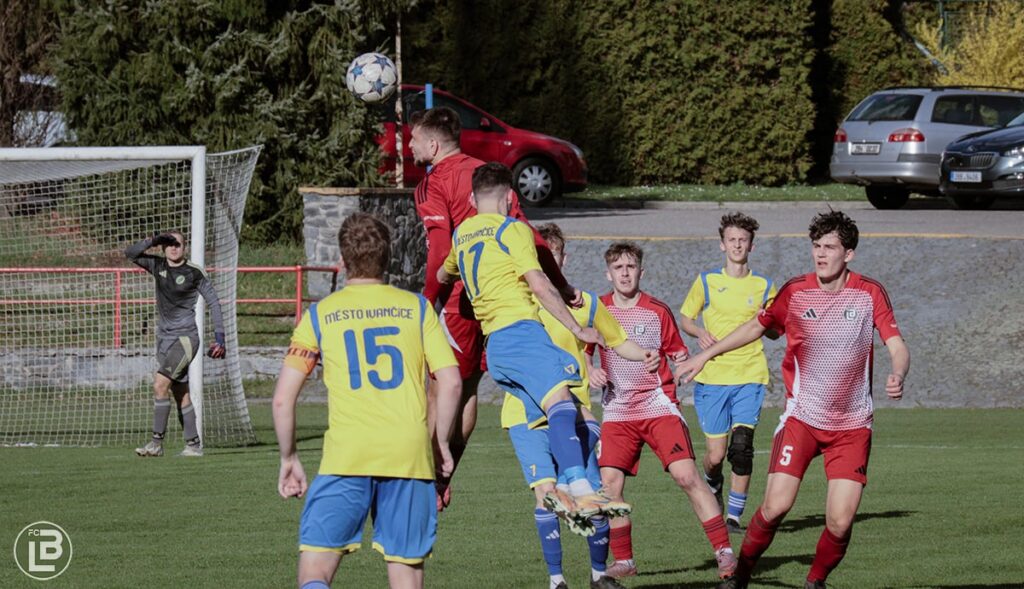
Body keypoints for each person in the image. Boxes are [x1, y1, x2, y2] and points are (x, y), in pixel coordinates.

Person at [675, 211, 910, 589]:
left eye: (829, 247)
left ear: (848, 254)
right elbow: (755, 327)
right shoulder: (795, 291)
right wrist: (705, 355)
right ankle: (741, 576)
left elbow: (897, 345)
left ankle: (815, 581)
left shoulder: (870, 293)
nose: (821, 254)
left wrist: (898, 372)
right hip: (802, 420)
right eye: (816, 246)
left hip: (852, 426)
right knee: (775, 507)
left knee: (840, 521)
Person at [272, 212, 462, 589]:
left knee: (315, 572)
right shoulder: (417, 309)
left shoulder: (319, 315)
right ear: (388, 257)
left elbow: (281, 401)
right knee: (405, 575)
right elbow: (452, 382)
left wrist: (289, 458)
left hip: (347, 455)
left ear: (343, 261)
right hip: (409, 456)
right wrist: (440, 443)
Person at [436, 163, 629, 529]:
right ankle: (580, 486)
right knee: (562, 402)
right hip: (521, 332)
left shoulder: (462, 234)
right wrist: (578, 327)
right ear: (512, 197)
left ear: (472, 199)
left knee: (564, 413)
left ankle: (559, 489)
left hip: (496, 346)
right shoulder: (513, 230)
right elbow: (539, 284)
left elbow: (442, 274)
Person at [410, 106, 574, 510]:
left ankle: (424, 484)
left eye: (413, 139)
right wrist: (561, 284)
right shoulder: (487, 176)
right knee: (468, 390)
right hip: (505, 302)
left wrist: (427, 301)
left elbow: (440, 252)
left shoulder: (434, 183)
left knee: (441, 388)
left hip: (462, 302)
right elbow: (531, 237)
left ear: (433, 145)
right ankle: (444, 478)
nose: (409, 145)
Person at [501, 223, 658, 589]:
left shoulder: (585, 303)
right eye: (538, 257)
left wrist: (644, 354)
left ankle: (599, 575)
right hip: (524, 414)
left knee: (594, 496)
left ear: (563, 259)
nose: (545, 264)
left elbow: (617, 340)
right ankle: (556, 580)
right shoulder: (516, 304)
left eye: (551, 256)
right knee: (546, 495)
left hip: (575, 416)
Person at [592, 241, 737, 583]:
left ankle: (724, 552)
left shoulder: (657, 311)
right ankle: (624, 560)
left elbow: (678, 353)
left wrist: (684, 364)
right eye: (618, 268)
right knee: (609, 485)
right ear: (608, 273)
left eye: (630, 267)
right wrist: (590, 370)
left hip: (657, 405)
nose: (624, 274)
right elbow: (582, 351)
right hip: (617, 410)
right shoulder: (598, 310)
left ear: (641, 272)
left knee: (686, 476)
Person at [678, 212, 777, 534]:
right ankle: (713, 480)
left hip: (750, 374)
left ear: (751, 245)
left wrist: (770, 323)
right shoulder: (707, 281)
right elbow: (686, 318)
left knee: (742, 448)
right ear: (722, 245)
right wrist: (699, 332)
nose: (737, 245)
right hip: (712, 378)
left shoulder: (764, 286)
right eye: (731, 240)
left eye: (743, 240)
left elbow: (775, 329)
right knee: (716, 455)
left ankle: (733, 517)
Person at [126, 230, 226, 458]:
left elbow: (214, 302)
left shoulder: (194, 272)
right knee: (180, 392)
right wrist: (153, 240)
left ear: (185, 247)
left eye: (178, 244)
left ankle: (156, 443)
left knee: (160, 384)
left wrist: (220, 336)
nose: (173, 248)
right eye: (169, 244)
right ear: (163, 247)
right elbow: (130, 253)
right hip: (164, 339)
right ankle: (193, 445)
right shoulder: (157, 265)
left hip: (185, 339)